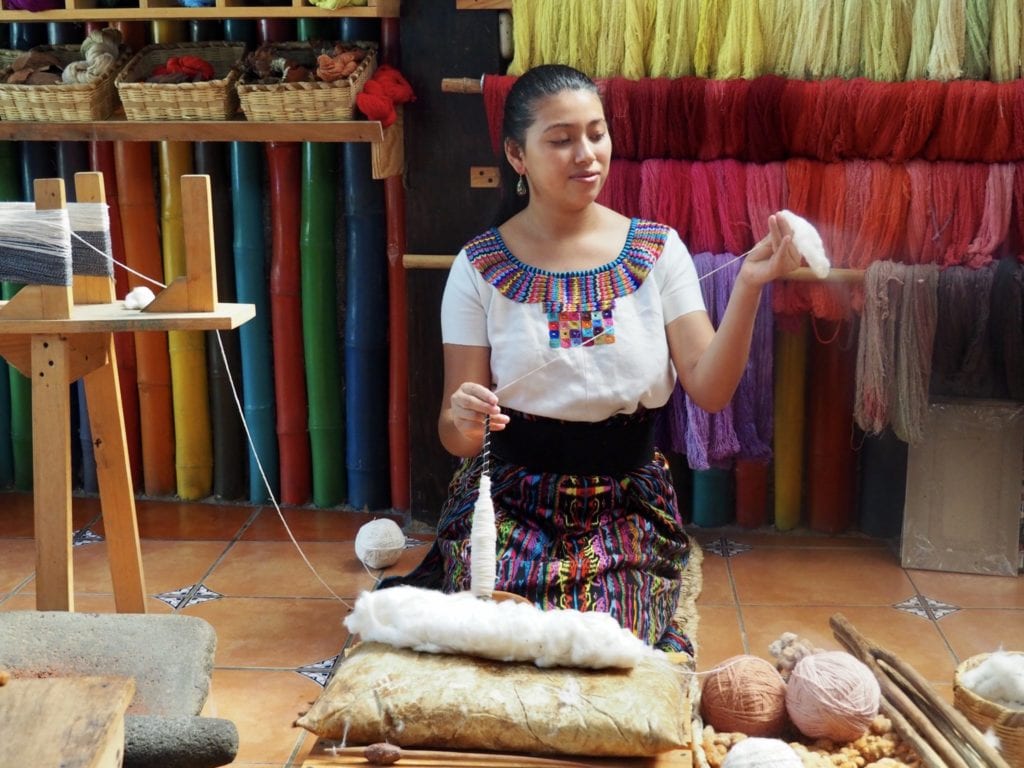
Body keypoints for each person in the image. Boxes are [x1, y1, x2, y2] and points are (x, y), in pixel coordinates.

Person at [390, 64, 801, 654]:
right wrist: (464, 413)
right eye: (560, 139)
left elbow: (710, 390)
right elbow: (457, 439)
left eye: (596, 133)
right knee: (506, 623)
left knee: (605, 640)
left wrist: (750, 287)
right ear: (517, 155)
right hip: (509, 499)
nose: (586, 154)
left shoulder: (658, 250)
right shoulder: (479, 266)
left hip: (624, 500)